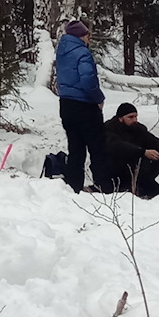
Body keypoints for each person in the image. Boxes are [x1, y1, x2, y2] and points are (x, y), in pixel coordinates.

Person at [53, 21, 111, 192]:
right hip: (85, 106)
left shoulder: (62, 52)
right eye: (87, 35)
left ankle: (74, 185)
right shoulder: (83, 53)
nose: (89, 38)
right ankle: (103, 186)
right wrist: (99, 98)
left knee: (75, 148)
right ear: (82, 36)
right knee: (97, 147)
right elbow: (88, 81)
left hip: (66, 104)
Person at [101, 102, 159, 198]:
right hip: (114, 168)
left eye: (136, 117)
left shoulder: (137, 128)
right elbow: (118, 146)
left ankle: (144, 185)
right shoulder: (109, 128)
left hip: (133, 164)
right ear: (120, 118)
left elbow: (152, 141)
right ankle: (141, 187)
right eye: (130, 117)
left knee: (157, 157)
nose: (134, 120)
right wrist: (143, 152)